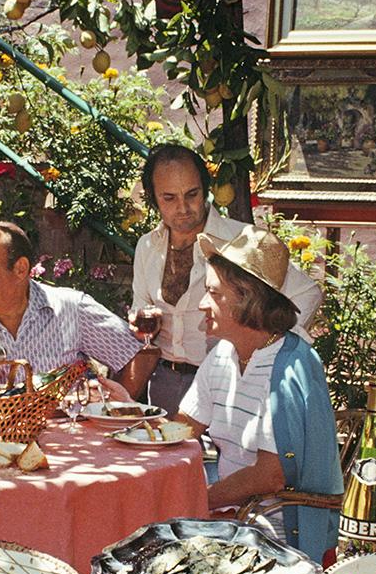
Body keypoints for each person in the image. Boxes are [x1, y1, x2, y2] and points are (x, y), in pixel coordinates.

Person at [176, 227, 342, 558]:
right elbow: (181, 430)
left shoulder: (291, 367)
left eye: (214, 294)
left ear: (246, 297)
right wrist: (127, 428)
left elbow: (270, 476)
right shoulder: (223, 354)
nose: (202, 304)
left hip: (275, 533)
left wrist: (199, 500)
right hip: (233, 515)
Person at [129, 144, 322, 412]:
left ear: (206, 189)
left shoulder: (241, 241)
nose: (183, 207)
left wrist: (266, 351)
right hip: (163, 382)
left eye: (192, 194)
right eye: (169, 198)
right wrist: (140, 322)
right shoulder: (146, 247)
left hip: (227, 384)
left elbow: (308, 292)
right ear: (153, 198)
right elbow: (139, 308)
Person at [0, 220, 151, 395]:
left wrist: (113, 409)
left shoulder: (70, 308)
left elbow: (138, 355)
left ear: (20, 268)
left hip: (66, 429)